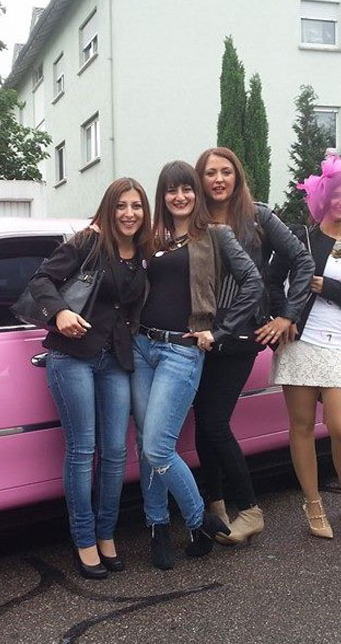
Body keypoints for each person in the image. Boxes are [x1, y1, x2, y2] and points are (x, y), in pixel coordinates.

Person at [133, 160, 261, 570]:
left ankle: (197, 519)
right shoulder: (152, 238)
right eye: (171, 190)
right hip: (142, 347)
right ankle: (157, 527)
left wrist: (219, 331)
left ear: (196, 193)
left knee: (157, 446)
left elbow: (253, 284)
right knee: (145, 444)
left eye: (187, 188)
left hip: (181, 351)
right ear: (162, 195)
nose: (180, 196)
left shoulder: (216, 234)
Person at [26, 178, 153, 579]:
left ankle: (106, 533)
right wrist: (60, 312)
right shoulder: (88, 242)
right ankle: (83, 539)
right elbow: (40, 280)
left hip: (115, 359)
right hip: (73, 357)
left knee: (115, 451)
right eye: (121, 206)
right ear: (109, 208)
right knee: (83, 450)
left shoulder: (144, 253)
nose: (129, 213)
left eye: (136, 206)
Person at [192, 147, 314, 544]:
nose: (219, 179)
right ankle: (215, 507)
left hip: (242, 335)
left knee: (214, 422)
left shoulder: (258, 215)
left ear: (237, 176)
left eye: (226, 171)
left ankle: (249, 509)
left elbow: (302, 260)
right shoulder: (193, 217)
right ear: (200, 179)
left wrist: (287, 315)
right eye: (210, 172)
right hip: (200, 334)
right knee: (204, 422)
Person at [269, 153, 341, 540]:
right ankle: (313, 503)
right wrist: (283, 317)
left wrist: (327, 286)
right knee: (301, 428)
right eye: (336, 194)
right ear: (321, 198)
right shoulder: (301, 239)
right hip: (300, 344)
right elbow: (271, 281)